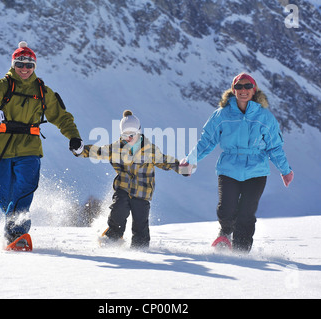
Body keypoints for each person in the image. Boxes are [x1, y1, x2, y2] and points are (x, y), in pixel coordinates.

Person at [0, 41, 83, 248]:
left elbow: (61, 116)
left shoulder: (42, 91)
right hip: (2, 147)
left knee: (25, 189)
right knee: (3, 195)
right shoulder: (3, 85)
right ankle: (13, 227)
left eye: (29, 65)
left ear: (34, 66)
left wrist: (74, 136)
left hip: (30, 147)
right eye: (20, 64)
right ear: (13, 65)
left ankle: (17, 233)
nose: (24, 69)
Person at [183, 72, 294, 253]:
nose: (243, 90)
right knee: (225, 209)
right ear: (233, 90)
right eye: (239, 87)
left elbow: (274, 147)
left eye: (247, 86)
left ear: (254, 90)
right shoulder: (221, 115)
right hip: (228, 169)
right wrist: (190, 161)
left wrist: (285, 170)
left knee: (246, 215)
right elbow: (207, 142)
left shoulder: (264, 117)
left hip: (256, 172)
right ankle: (225, 233)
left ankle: (241, 253)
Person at [75, 110, 192, 249]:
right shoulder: (116, 148)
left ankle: (140, 246)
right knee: (118, 210)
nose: (129, 138)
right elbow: (99, 152)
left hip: (142, 192)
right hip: (123, 187)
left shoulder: (149, 150)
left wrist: (182, 168)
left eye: (132, 135)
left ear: (139, 132)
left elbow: (165, 161)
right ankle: (113, 237)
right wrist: (81, 150)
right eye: (125, 135)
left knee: (140, 221)